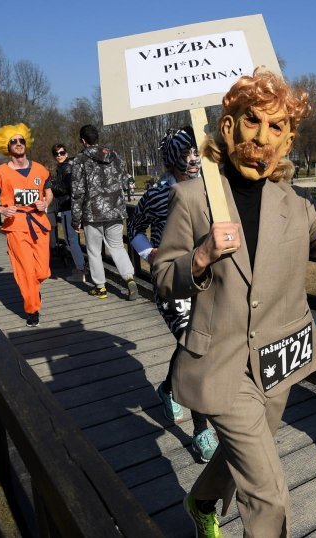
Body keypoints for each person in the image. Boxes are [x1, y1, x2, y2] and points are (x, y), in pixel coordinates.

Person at [153, 68, 316, 537]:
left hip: (278, 362)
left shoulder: (294, 203)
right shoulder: (194, 198)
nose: (262, 137)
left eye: (276, 127)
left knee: (244, 453)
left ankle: (201, 501)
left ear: (289, 140)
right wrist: (200, 256)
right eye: (251, 120)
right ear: (229, 125)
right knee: (267, 489)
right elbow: (161, 277)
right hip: (221, 362)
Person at [128, 126, 218, 463]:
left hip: (205, 280)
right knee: (193, 347)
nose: (193, 160)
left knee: (195, 346)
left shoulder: (211, 190)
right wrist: (149, 252)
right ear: (172, 159)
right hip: (172, 283)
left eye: (196, 153)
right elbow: (134, 228)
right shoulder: (155, 195)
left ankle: (168, 387)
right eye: (185, 155)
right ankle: (201, 430)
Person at [0, 123, 53, 328]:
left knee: (42, 271)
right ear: (7, 146)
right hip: (16, 226)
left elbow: (48, 192)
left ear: (26, 143)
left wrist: (45, 203)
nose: (18, 143)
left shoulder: (40, 168)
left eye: (21, 140)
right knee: (25, 270)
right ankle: (32, 309)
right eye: (13, 141)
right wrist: (2, 210)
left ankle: (34, 288)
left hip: (39, 223)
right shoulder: (0, 172)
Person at [71, 124, 137, 301]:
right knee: (117, 247)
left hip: (92, 213)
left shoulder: (80, 160)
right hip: (115, 210)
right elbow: (124, 180)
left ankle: (100, 287)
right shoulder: (113, 155)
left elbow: (77, 192)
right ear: (97, 138)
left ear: (83, 141)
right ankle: (129, 278)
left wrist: (75, 219)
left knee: (93, 251)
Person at [50, 143, 86, 282]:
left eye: (61, 152)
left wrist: (52, 185)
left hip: (68, 207)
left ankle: (81, 270)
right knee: (72, 240)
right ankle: (81, 267)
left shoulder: (67, 167)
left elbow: (68, 188)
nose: (59, 155)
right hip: (72, 207)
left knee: (71, 241)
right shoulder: (67, 166)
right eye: (56, 153)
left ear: (66, 152)